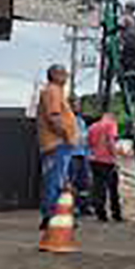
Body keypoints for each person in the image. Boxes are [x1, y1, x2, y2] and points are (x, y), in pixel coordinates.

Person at [37, 64, 78, 230]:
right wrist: (67, 136)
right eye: (64, 73)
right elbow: (54, 116)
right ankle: (52, 215)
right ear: (55, 75)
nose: (67, 77)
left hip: (56, 143)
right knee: (56, 181)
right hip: (57, 143)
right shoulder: (53, 90)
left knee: (58, 181)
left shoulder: (53, 91)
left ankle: (55, 215)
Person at [88, 112, 123, 222]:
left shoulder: (93, 126)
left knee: (98, 187)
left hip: (94, 159)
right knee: (113, 188)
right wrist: (115, 157)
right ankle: (116, 213)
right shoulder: (111, 124)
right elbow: (110, 141)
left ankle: (100, 213)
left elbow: (89, 143)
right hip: (107, 160)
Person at [69, 98, 93, 217]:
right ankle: (73, 207)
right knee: (72, 181)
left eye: (78, 105)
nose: (78, 107)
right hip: (72, 154)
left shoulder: (81, 121)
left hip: (83, 154)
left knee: (84, 182)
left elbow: (85, 138)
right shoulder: (67, 119)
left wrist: (89, 154)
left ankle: (84, 206)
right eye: (75, 105)